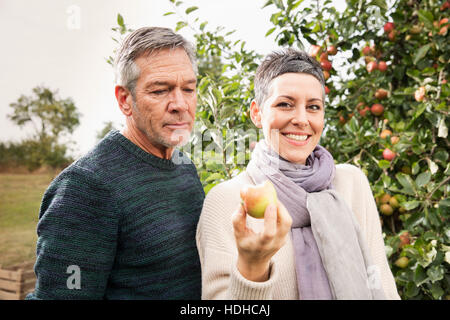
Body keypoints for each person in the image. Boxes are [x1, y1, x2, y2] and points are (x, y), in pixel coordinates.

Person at [196, 48, 401, 300]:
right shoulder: (227, 201)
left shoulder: (350, 183)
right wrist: (253, 268)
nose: (302, 119)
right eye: (285, 104)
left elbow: (381, 282)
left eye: (313, 107)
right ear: (257, 113)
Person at [26, 27, 204, 299]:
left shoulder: (183, 165)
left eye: (189, 89)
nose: (180, 104)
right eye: (160, 90)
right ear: (125, 100)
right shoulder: (86, 188)